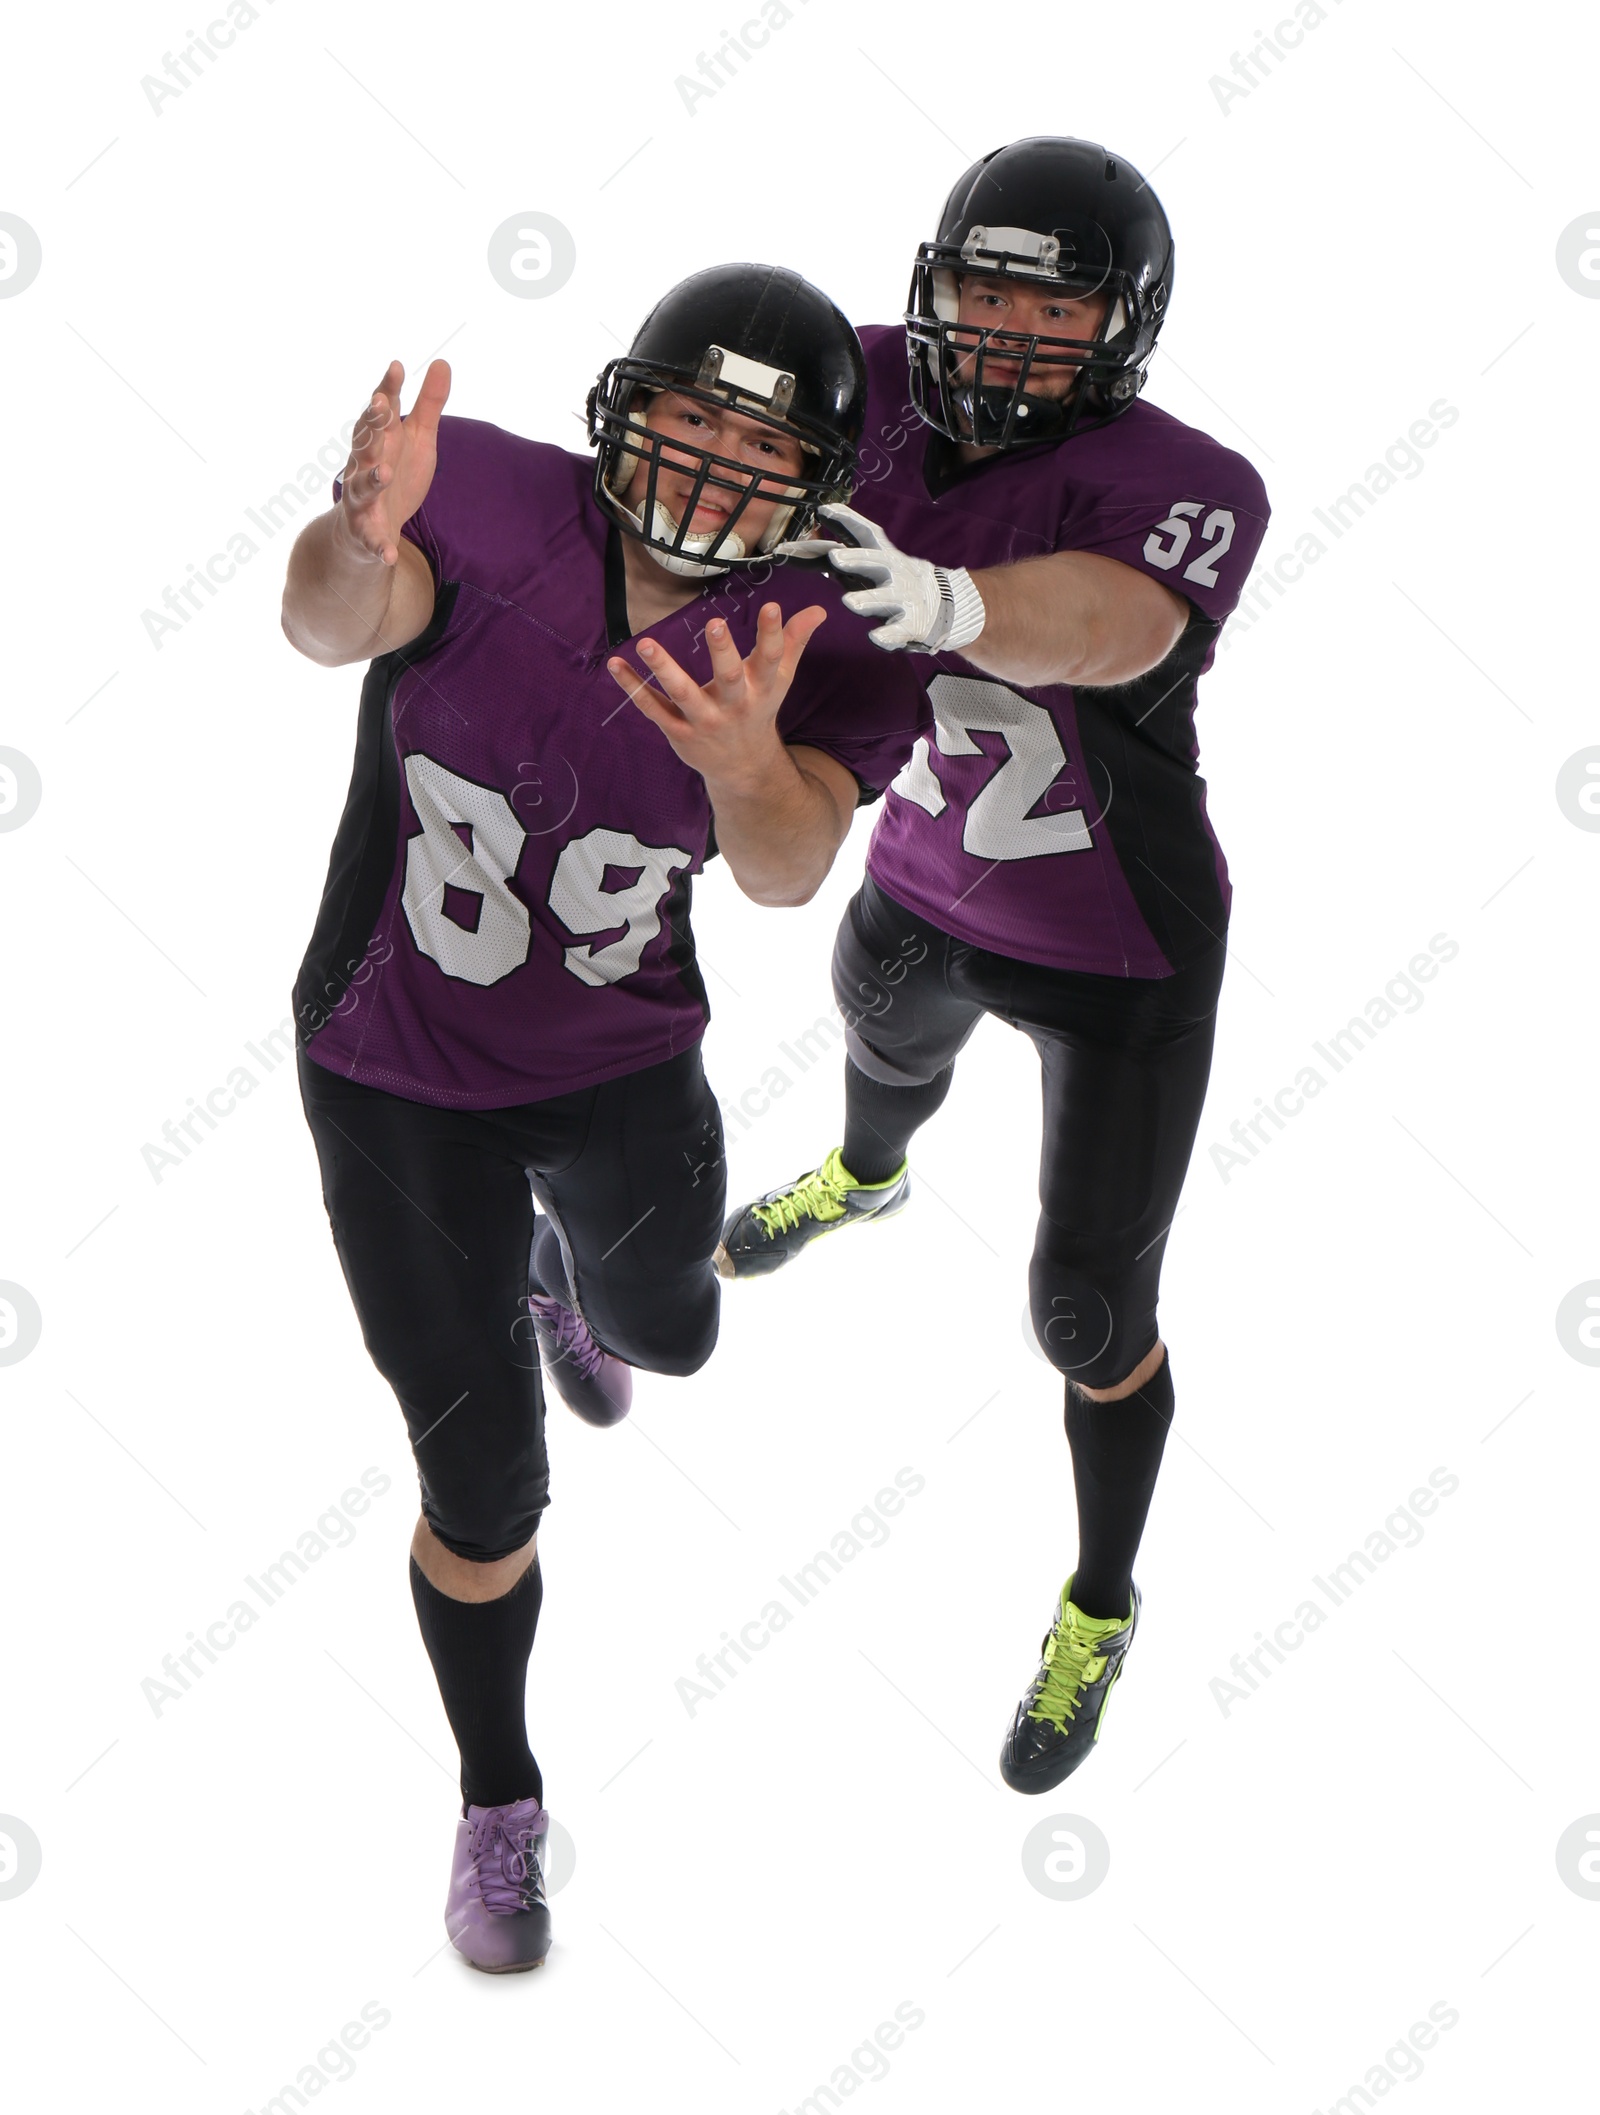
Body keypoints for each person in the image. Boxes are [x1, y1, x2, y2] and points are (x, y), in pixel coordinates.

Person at [279, 264, 927, 1971]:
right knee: (484, 1486)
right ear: (624, 409)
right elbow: (329, 619)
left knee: (680, 1336)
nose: (712, 463)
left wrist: (741, 760)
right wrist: (356, 533)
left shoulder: (826, 625)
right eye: (690, 415)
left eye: (756, 439)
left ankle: (570, 1273)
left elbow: (786, 875)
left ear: (818, 489)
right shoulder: (488, 488)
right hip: (395, 1062)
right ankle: (501, 1800)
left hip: (621, 1059)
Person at [715, 139, 1272, 1793]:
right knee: (877, 1052)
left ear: (1127, 321)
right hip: (918, 872)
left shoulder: (1192, 479)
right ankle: (867, 1186)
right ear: (932, 281)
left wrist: (953, 597)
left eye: (1056, 296)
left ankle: (1102, 1599)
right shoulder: (856, 382)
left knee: (1088, 1312)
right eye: (985, 285)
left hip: (1118, 943)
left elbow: (1114, 623)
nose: (1011, 324)